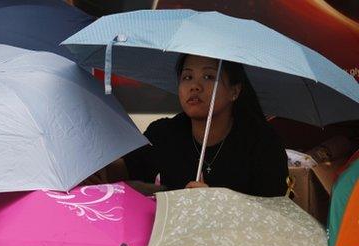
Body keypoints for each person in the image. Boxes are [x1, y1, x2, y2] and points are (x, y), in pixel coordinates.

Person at [121, 54, 289, 197]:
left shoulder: (263, 144)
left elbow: (272, 217)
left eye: (209, 77)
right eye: (187, 77)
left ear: (234, 91)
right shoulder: (163, 134)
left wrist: (214, 205)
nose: (195, 86)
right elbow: (127, 173)